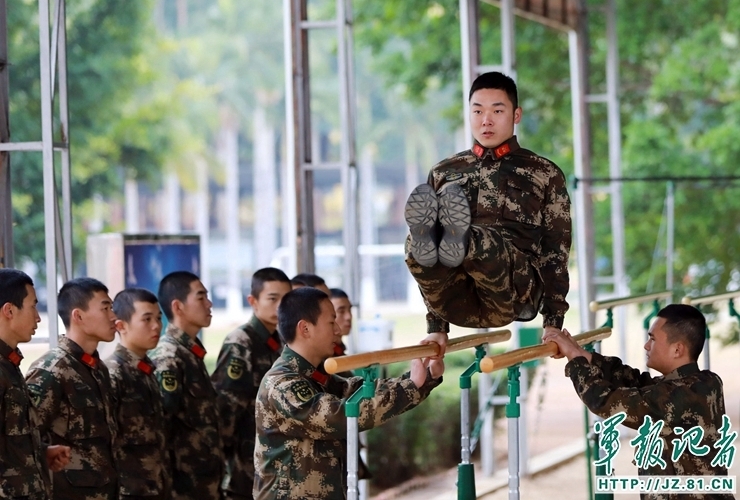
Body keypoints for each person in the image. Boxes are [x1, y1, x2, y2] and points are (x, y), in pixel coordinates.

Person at [404, 71, 571, 347]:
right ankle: (454, 238)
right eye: (478, 111)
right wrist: (436, 328)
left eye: (497, 110)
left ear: (516, 115)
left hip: (513, 295)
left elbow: (556, 252)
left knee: (480, 240)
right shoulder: (444, 172)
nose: (486, 120)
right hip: (458, 298)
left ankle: (462, 236)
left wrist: (553, 323)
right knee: (416, 244)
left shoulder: (544, 173)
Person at [253, 287, 444, 500]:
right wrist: (411, 385)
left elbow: (361, 391)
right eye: (331, 322)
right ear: (305, 329)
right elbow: (342, 415)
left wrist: (423, 378)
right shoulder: (282, 383)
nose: (337, 330)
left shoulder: (313, 375)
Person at [543, 304, 733, 497]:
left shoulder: (681, 396)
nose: (646, 345)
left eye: (653, 339)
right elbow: (635, 382)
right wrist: (581, 353)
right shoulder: (705, 382)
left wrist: (575, 359)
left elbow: (605, 401)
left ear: (677, 349)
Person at [26, 277, 118, 500]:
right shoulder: (53, 370)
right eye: (105, 308)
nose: (114, 317)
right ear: (78, 316)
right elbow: (26, 440)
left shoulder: (98, 369)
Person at [212, 267, 292, 499]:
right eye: (272, 298)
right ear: (253, 301)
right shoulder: (241, 342)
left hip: (272, 458)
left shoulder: (280, 341)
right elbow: (227, 407)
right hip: (244, 461)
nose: (279, 306)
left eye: (285, 299)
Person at [149, 271, 223, 500]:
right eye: (200, 297)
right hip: (182, 486)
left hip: (204, 480)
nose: (209, 304)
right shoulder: (169, 357)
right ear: (178, 306)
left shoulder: (190, 353)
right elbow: (163, 426)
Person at [0, 269, 70, 499]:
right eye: (33, 306)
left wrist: (41, 453)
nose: (39, 317)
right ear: (9, 310)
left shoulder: (9, 364)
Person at [107, 288, 170, 500]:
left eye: (159, 318)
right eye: (147, 319)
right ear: (121, 326)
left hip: (156, 486)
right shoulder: (113, 373)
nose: (156, 326)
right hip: (129, 491)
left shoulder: (146, 369)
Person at [328, 288, 352, 357]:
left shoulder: (340, 350)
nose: (349, 317)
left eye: (350, 310)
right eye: (341, 311)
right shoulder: (324, 357)